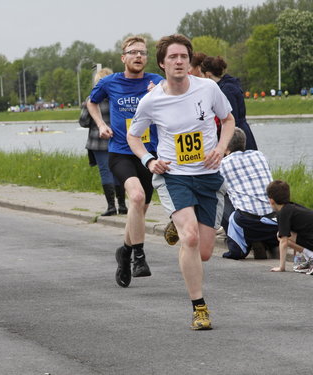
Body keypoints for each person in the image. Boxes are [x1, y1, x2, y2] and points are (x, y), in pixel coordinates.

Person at [128, 34, 235, 330]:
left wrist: (220, 149)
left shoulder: (208, 88)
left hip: (208, 176)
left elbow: (228, 120)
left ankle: (177, 220)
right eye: (173, 57)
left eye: (184, 57)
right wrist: (149, 160)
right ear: (162, 63)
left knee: (203, 252)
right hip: (173, 176)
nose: (179, 61)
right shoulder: (152, 101)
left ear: (190, 62)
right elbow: (133, 136)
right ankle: (199, 307)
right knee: (189, 238)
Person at [86, 35, 163, 287]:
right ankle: (139, 257)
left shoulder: (157, 81)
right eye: (133, 52)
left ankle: (125, 251)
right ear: (124, 58)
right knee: (137, 198)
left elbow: (176, 102)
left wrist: (159, 95)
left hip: (149, 155)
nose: (138, 56)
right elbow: (91, 102)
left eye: (142, 52)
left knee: (139, 211)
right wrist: (101, 125)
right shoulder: (110, 82)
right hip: (120, 152)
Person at [220, 128, 279, 260]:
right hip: (274, 221)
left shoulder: (222, 164)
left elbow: (211, 187)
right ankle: (267, 242)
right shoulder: (260, 156)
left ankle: (244, 242)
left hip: (247, 222)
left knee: (219, 195)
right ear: (244, 143)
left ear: (225, 146)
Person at [79, 67, 127, 216]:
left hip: (98, 142)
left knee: (105, 172)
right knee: (119, 172)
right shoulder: (118, 98)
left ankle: (111, 206)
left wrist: (97, 123)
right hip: (117, 139)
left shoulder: (91, 99)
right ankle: (123, 205)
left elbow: (83, 121)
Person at [201, 56, 258, 150]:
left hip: (237, 137)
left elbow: (232, 118)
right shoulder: (227, 85)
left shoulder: (226, 90)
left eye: (202, 76)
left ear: (207, 75)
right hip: (238, 132)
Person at [267, 180, 313, 273]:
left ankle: (311, 256)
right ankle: (310, 257)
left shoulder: (283, 213)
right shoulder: (292, 207)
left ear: (271, 201)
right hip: (309, 236)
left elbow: (284, 241)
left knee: (281, 235)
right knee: (286, 234)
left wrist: (281, 267)